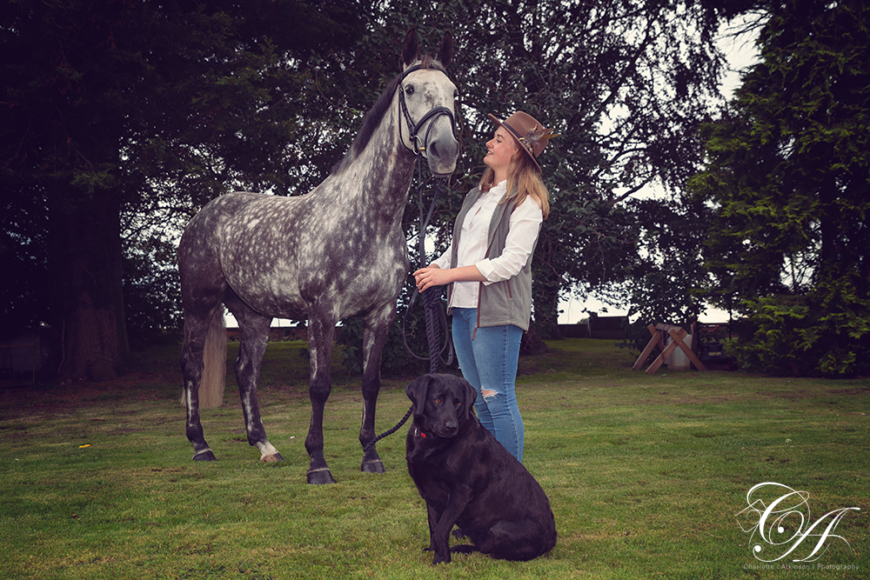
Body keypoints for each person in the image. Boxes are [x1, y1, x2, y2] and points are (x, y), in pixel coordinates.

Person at [414, 111, 556, 462]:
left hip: (495, 312)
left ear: (518, 153)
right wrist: (438, 265)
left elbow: (511, 263)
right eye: (493, 137)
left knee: (497, 397)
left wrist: (448, 276)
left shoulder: (527, 202)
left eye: (499, 139)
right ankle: (492, 480)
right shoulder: (478, 196)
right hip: (462, 309)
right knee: (479, 400)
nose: (489, 143)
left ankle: (512, 484)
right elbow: (461, 248)